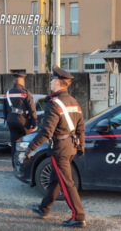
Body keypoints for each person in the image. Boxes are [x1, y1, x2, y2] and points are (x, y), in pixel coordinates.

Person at [25, 65, 86, 228]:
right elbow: (81, 127)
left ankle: (78, 216)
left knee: (67, 184)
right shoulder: (73, 101)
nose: (50, 82)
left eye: (52, 79)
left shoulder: (54, 104)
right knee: (55, 179)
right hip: (71, 146)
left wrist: (30, 148)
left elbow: (46, 131)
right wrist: (81, 146)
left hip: (60, 148)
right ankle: (43, 209)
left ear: (58, 82)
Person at [3, 72, 37, 168]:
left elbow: (4, 110)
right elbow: (32, 108)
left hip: (11, 121)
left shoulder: (7, 93)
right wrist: (34, 121)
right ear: (22, 81)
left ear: (14, 81)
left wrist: (8, 120)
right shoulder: (25, 93)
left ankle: (15, 166)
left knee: (14, 145)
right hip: (23, 122)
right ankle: (26, 166)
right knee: (25, 144)